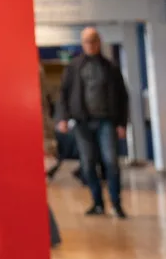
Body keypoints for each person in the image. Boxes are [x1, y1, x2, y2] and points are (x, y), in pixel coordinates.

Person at [55, 26, 130, 219]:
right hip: (82, 123)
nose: (91, 45)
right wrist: (62, 118)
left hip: (106, 121)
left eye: (94, 40)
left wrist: (122, 123)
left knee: (111, 162)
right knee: (87, 164)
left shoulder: (110, 68)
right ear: (83, 44)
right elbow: (63, 94)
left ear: (99, 42)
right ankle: (97, 203)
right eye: (87, 41)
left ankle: (116, 204)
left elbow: (122, 97)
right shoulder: (74, 67)